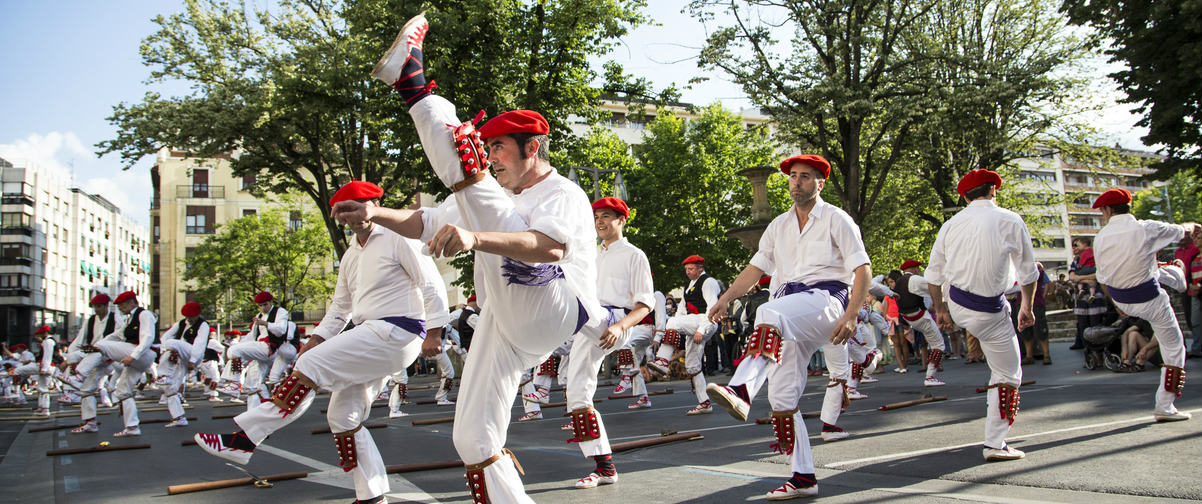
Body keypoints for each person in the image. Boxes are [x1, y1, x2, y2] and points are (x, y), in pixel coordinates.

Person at [362, 13, 605, 501]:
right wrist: (370, 213)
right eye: (489, 148)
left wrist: (474, 239)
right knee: (472, 438)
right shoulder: (486, 199)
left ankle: (413, 83)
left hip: (555, 304)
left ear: (532, 148)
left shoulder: (565, 193)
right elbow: (423, 222)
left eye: (499, 148)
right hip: (506, 321)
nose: (494, 157)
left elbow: (548, 249)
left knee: (471, 177)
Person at [194, 180, 451, 504]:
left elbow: (431, 284)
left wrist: (435, 331)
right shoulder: (350, 257)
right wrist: (314, 339)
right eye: (343, 212)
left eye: (356, 208)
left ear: (372, 205)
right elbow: (340, 309)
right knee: (343, 417)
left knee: (310, 366)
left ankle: (244, 438)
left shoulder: (399, 237)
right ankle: (372, 497)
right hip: (370, 336)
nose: (351, 218)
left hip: (398, 331)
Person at [705, 154, 872, 499]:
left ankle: (740, 390)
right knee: (781, 397)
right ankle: (803, 477)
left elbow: (863, 270)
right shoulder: (778, 225)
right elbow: (754, 270)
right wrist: (726, 298)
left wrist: (852, 314)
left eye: (806, 177)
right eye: (793, 177)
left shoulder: (837, 219)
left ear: (820, 183)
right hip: (789, 314)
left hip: (826, 300)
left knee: (769, 312)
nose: (797, 183)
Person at [925, 169, 1036, 461]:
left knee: (996, 355)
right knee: (1009, 374)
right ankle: (996, 443)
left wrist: (941, 310)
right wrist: (1028, 306)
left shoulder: (950, 225)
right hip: (988, 309)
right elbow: (1028, 271)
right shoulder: (1009, 219)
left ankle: (995, 439)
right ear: (993, 191)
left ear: (964, 196)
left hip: (959, 304)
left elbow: (933, 275)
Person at [563, 196, 654, 488]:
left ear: (621, 220)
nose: (600, 222)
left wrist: (619, 326)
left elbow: (644, 306)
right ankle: (604, 467)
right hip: (589, 324)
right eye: (597, 217)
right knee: (576, 393)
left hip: (616, 321)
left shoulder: (634, 254)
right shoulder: (590, 253)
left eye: (606, 216)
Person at [1091, 188, 1196, 422]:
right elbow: (1183, 231)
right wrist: (1192, 226)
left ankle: (1170, 271)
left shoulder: (1100, 237)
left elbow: (1103, 278)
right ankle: (1165, 405)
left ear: (1108, 210)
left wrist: (1117, 304)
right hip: (1149, 299)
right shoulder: (1146, 227)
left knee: (1154, 269)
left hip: (1121, 298)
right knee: (1175, 347)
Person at [647, 255, 723, 415]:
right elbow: (682, 308)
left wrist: (702, 329)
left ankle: (662, 361)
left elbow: (712, 307)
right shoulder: (689, 284)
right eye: (686, 269)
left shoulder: (708, 282)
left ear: (700, 268)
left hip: (705, 320)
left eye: (691, 269)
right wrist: (675, 322)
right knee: (692, 365)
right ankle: (704, 403)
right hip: (694, 323)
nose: (688, 272)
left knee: (672, 324)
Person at [95, 291, 159, 437]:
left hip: (143, 354)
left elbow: (147, 337)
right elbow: (117, 335)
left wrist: (132, 356)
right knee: (122, 391)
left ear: (131, 302)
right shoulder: (130, 318)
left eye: (122, 305)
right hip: (137, 355)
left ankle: (79, 375)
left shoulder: (144, 314)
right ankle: (132, 427)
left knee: (102, 346)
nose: (120, 308)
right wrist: (99, 344)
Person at [886, 260, 947, 386]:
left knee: (932, 343)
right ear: (913, 269)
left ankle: (930, 375)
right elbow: (933, 288)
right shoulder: (914, 280)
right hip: (919, 316)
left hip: (909, 318)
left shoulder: (899, 283)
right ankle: (930, 377)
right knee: (938, 345)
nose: (918, 270)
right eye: (917, 268)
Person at [226, 291, 290, 409]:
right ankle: (254, 413)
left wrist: (265, 323)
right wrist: (243, 348)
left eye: (265, 304)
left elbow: (281, 330)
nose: (262, 308)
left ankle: (234, 383)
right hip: (260, 350)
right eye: (260, 305)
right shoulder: (259, 315)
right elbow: (252, 336)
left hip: (269, 348)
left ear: (271, 302)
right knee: (252, 385)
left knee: (234, 351)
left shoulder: (280, 312)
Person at [67, 294, 118, 431]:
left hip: (109, 356)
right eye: (94, 306)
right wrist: (71, 358)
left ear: (107, 305)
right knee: (87, 389)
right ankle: (90, 422)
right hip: (93, 357)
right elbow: (79, 340)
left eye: (99, 306)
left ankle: (76, 378)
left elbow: (120, 338)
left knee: (120, 389)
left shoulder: (116, 318)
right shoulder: (90, 320)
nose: (96, 309)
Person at [156, 302, 211, 427]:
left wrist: (193, 359)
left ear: (197, 315)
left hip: (192, 352)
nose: (190, 320)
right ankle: (179, 417)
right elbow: (165, 336)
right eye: (188, 317)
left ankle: (163, 374)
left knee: (172, 343)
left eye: (192, 317)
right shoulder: (180, 323)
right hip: (180, 356)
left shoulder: (203, 325)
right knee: (170, 388)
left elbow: (200, 343)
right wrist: (163, 351)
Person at [9, 326, 57, 416]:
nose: (38, 336)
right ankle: (43, 407)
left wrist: (44, 368)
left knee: (18, 371)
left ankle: (16, 392)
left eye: (40, 334)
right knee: (42, 387)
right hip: (45, 366)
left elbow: (47, 356)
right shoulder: (47, 341)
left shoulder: (48, 341)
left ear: (45, 333)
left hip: (45, 366)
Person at [1021, 263, 1052, 365]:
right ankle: (1029, 355)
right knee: (1026, 330)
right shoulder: (1014, 268)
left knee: (1040, 328)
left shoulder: (1036, 267)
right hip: (1021, 302)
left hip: (1036, 302)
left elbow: (1041, 280)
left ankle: (1046, 354)